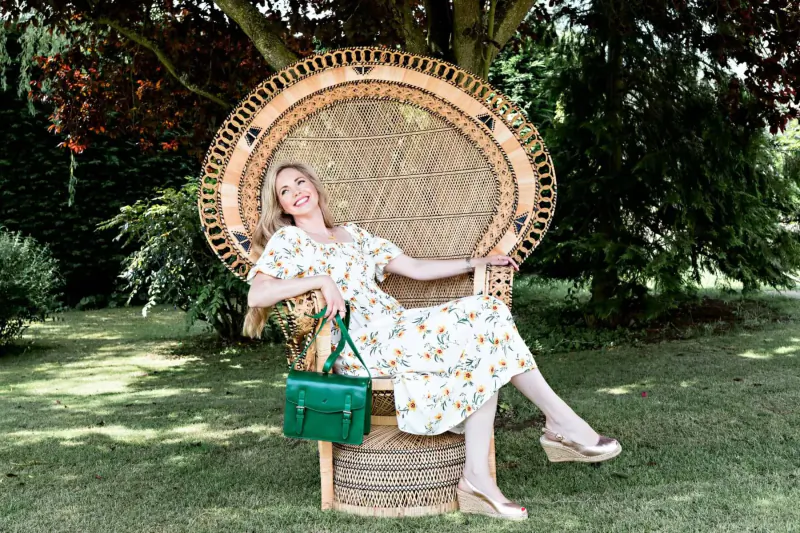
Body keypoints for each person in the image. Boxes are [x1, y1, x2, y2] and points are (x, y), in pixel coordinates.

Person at [243, 161, 621, 520]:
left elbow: (415, 269)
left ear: (314, 187)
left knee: (486, 340)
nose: (296, 191)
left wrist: (475, 263)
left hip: (397, 326)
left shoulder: (353, 234)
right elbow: (257, 295)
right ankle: (561, 426)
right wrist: (320, 281)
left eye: (300, 182)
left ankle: (480, 481)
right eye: (285, 190)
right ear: (281, 205)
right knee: (487, 319)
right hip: (363, 344)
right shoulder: (289, 240)